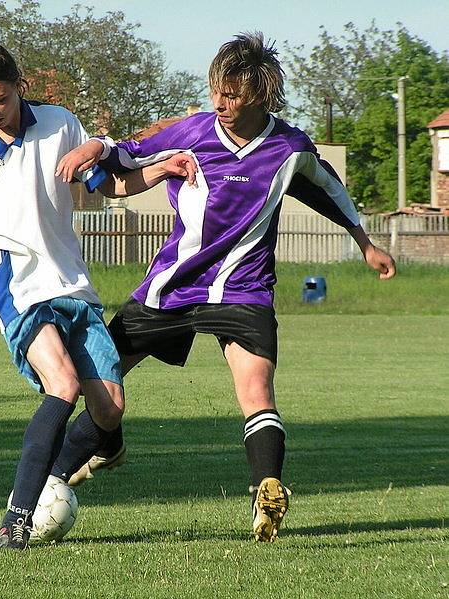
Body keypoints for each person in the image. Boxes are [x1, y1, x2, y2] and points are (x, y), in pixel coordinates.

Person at [55, 32, 396, 542]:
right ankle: (103, 447)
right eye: (217, 91)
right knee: (96, 381)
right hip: (172, 287)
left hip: (244, 290)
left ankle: (267, 492)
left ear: (259, 93)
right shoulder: (194, 131)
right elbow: (126, 154)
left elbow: (330, 190)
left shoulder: (289, 146)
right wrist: (92, 147)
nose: (222, 103)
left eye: (232, 94)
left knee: (256, 391)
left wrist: (365, 242)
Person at [0, 43, 195, 550]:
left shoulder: (61, 123)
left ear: (19, 86)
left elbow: (108, 184)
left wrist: (162, 169)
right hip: (18, 286)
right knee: (62, 383)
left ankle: (64, 471)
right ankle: (16, 519)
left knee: (109, 410)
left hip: (71, 284)